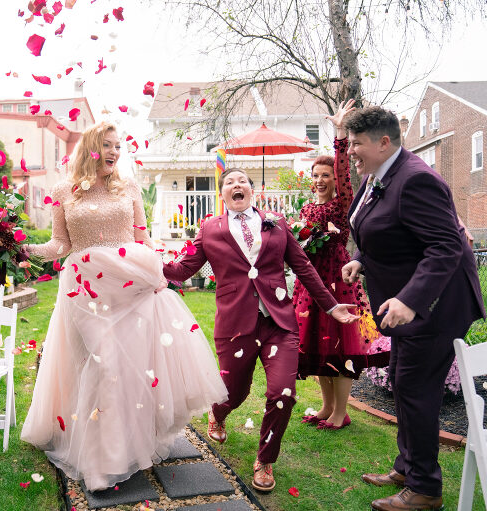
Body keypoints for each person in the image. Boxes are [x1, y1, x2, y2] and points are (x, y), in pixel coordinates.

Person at [20, 122, 227, 491]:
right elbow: (59, 244)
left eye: (118, 146)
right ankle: (103, 462)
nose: (114, 152)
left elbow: (142, 237)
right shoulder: (62, 190)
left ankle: (127, 446)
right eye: (107, 145)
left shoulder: (128, 185)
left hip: (129, 283)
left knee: (130, 366)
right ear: (90, 149)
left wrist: (157, 272)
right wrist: (25, 250)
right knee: (103, 360)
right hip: (85, 287)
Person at [162, 167, 358, 492]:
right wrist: (147, 263)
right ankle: (218, 413)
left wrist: (331, 304)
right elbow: (184, 268)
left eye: (242, 181)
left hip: (278, 322)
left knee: (283, 393)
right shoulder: (210, 229)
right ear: (223, 195)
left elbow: (303, 266)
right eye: (229, 183)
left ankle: (265, 459)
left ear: (252, 190)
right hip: (235, 324)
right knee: (234, 392)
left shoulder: (276, 223)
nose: (236, 185)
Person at [341, 106, 484, 511]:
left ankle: (424, 490)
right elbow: (391, 233)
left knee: (417, 391)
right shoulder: (378, 176)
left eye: (357, 143)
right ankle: (407, 467)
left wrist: (410, 300)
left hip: (436, 306)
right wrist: (362, 261)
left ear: (384, 142)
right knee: (404, 383)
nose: (351, 150)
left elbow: (446, 246)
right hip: (407, 307)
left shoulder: (417, 178)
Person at [295, 99, 389, 430]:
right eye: (315, 176)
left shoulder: (341, 204)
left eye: (326, 175)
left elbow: (342, 170)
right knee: (315, 347)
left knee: (340, 346)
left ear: (335, 180)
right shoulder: (306, 209)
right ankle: (326, 407)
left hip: (337, 280)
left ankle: (340, 412)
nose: (320, 180)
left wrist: (339, 134)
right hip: (309, 285)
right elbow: (300, 244)